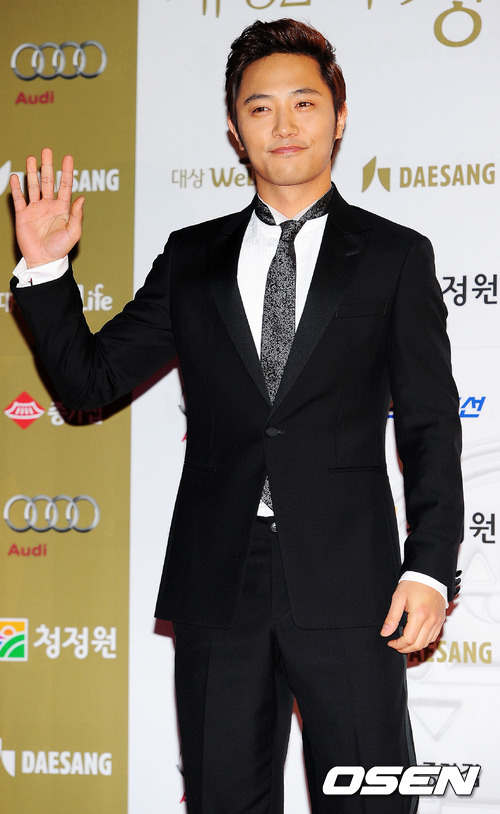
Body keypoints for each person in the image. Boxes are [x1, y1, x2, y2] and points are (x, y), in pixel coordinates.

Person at [9, 18, 462, 814]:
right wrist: (46, 269)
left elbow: (429, 422)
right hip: (219, 581)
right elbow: (89, 382)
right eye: (260, 108)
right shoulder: (193, 258)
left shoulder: (395, 255)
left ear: (339, 116)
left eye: (304, 103)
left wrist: (428, 566)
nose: (283, 125)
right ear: (233, 128)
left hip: (352, 583)